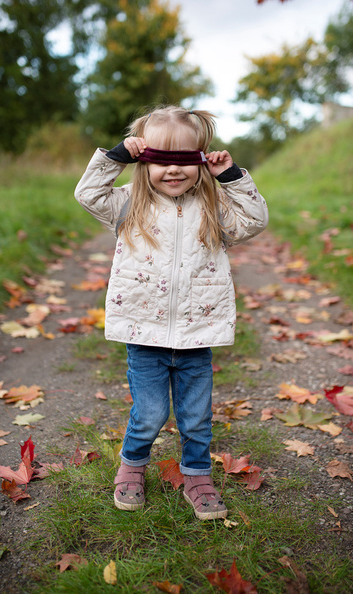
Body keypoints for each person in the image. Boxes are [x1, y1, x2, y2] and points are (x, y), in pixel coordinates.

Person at [75, 105, 268, 520]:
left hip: (198, 333)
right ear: (143, 162)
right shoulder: (127, 205)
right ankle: (132, 466)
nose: (172, 170)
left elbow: (255, 220)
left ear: (201, 160)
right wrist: (115, 157)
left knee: (196, 416)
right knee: (150, 413)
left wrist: (231, 178)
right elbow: (87, 193)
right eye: (160, 159)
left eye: (183, 159)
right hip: (144, 335)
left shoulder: (214, 209)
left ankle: (197, 475)